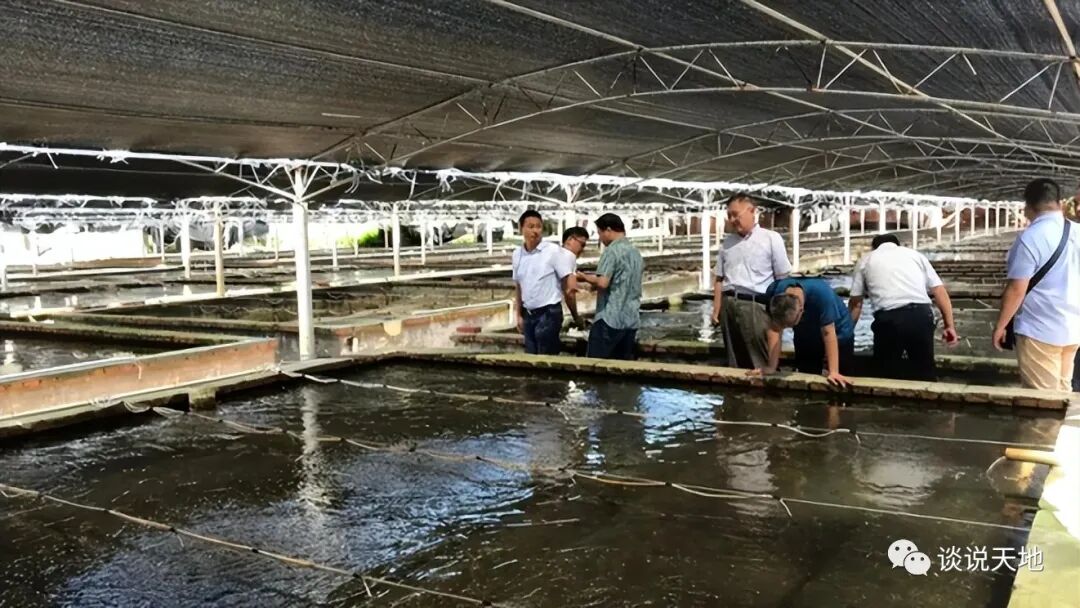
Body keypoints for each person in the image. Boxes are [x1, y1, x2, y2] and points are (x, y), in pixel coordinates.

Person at [993, 178, 1080, 391]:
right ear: (1059, 203)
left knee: (1042, 398)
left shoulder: (1030, 238)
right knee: (1063, 391)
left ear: (1028, 207)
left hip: (1040, 329)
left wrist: (1001, 326)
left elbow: (1017, 289)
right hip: (1073, 329)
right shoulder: (1077, 232)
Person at [847, 233, 960, 380]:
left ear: (874, 247)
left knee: (886, 373)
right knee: (924, 370)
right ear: (897, 245)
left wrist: (846, 333)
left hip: (889, 319)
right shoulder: (915, 255)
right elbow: (939, 291)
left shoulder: (866, 260)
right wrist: (949, 326)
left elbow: (856, 304)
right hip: (921, 316)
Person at [709, 193, 792, 369]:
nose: (732, 220)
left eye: (735, 215)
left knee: (759, 359)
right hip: (729, 305)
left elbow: (782, 278)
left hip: (756, 305)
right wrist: (717, 309)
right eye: (729, 215)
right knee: (734, 358)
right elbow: (719, 278)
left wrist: (779, 315)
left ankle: (764, 383)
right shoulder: (728, 243)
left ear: (752, 211)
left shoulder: (771, 238)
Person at [751, 277, 856, 386]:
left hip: (838, 331)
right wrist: (771, 367)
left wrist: (834, 372)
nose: (786, 328)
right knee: (806, 372)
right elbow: (774, 330)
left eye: (790, 325)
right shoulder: (774, 291)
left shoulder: (822, 293)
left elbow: (828, 332)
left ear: (802, 310)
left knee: (840, 378)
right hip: (806, 334)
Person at [577, 213, 643, 360]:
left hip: (610, 319)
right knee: (621, 366)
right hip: (631, 319)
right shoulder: (635, 253)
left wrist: (584, 277)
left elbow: (603, 282)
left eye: (599, 233)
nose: (600, 238)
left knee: (596, 365)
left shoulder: (611, 251)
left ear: (608, 230)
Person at [512, 210, 574, 355]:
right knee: (531, 355)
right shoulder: (517, 254)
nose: (535, 231)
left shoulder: (552, 251)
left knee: (546, 355)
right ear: (521, 228)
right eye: (530, 226)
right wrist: (518, 315)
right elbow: (519, 285)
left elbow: (567, 279)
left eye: (538, 226)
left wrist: (572, 305)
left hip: (549, 312)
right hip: (529, 313)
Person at [560, 226, 590, 330]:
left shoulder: (554, 253)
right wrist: (576, 317)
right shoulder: (569, 256)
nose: (582, 249)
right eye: (582, 244)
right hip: (548, 311)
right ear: (570, 240)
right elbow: (570, 292)